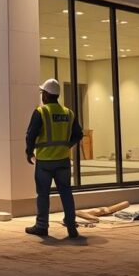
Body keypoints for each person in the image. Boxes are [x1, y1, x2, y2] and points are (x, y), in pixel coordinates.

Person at [25, 78, 84, 239]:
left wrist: (29, 152)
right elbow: (79, 134)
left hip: (44, 162)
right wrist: (66, 145)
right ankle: (71, 227)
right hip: (63, 161)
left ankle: (41, 226)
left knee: (43, 194)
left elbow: (31, 134)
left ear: (46, 95)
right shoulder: (68, 113)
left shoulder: (41, 112)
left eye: (42, 92)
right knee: (66, 193)